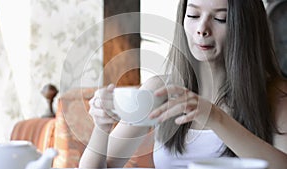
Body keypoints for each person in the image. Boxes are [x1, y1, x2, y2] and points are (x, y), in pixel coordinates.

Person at [79, 0, 287, 168]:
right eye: (194, 16)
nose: (202, 29)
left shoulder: (277, 96)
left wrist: (214, 116)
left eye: (220, 19)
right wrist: (101, 128)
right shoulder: (160, 90)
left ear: (246, 28)